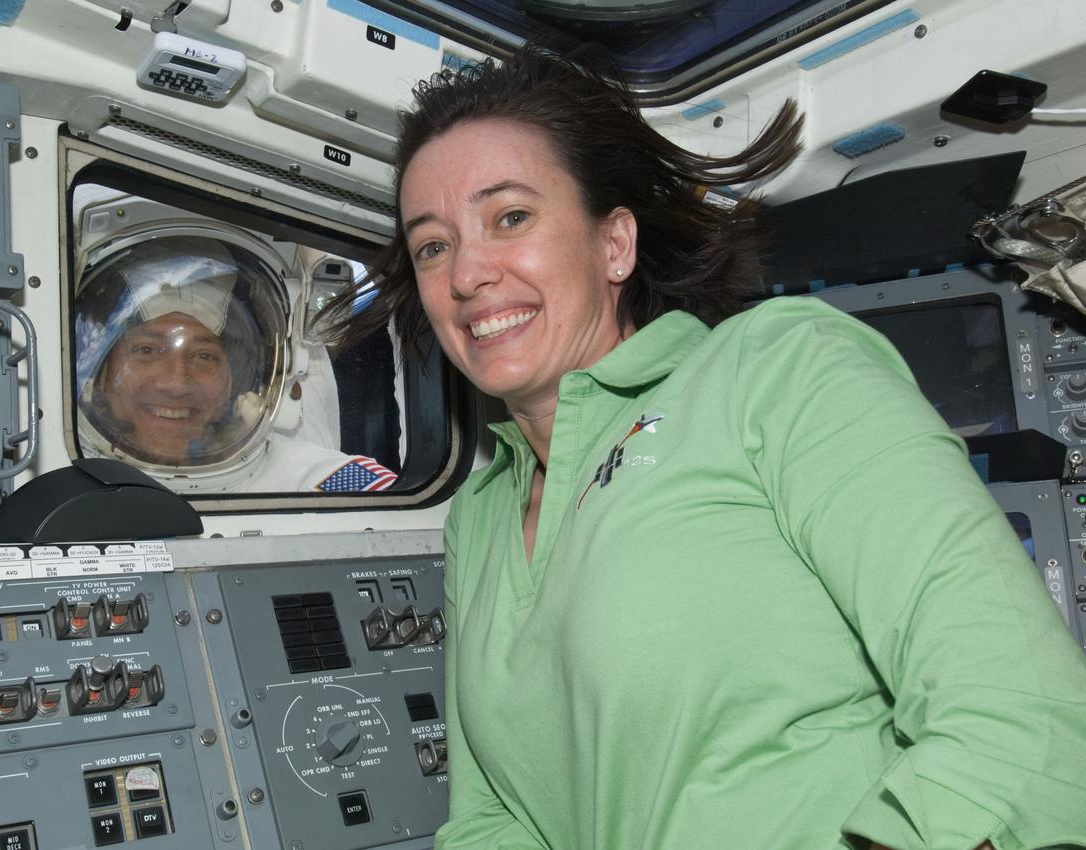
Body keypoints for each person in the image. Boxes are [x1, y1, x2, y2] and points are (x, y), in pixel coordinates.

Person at [318, 42, 1086, 850]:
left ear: (614, 243)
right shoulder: (478, 513)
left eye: (510, 217)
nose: (468, 274)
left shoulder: (774, 368)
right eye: (432, 245)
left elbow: (1019, 710)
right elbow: (493, 820)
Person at [75, 234, 397, 492]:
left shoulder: (317, 482)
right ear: (99, 378)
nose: (176, 382)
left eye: (205, 356)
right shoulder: (59, 486)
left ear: (232, 387)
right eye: (147, 350)